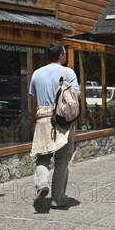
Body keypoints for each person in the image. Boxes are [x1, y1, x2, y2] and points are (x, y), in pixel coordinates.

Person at [29, 41, 80, 210]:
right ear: (61, 56)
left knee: (42, 157)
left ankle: (42, 184)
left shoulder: (36, 74)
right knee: (62, 161)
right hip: (62, 120)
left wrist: (34, 122)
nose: (65, 56)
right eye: (64, 53)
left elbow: (33, 101)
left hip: (42, 118)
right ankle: (57, 200)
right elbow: (75, 98)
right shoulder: (68, 72)